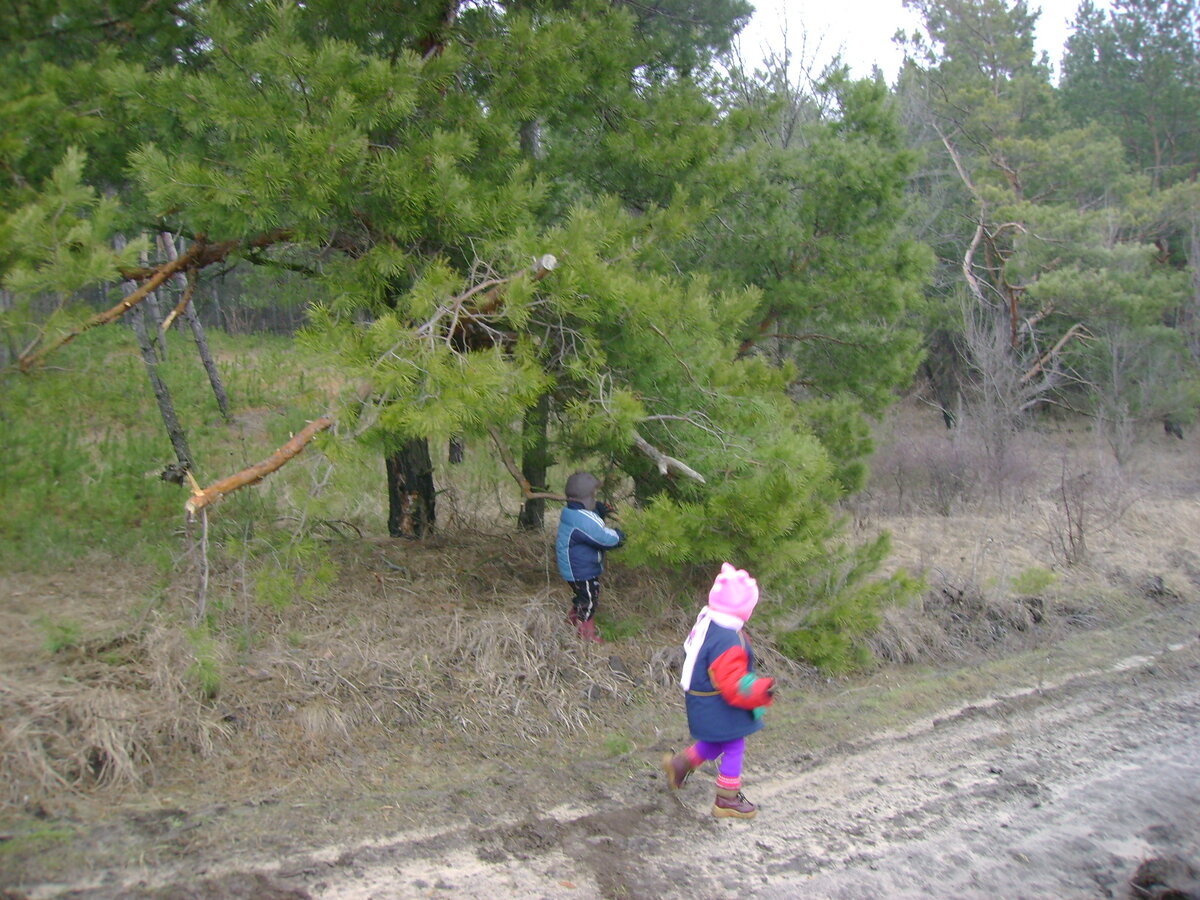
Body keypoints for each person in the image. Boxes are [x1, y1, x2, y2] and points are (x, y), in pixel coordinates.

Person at [661, 562, 775, 819]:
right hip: (718, 701)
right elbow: (733, 683)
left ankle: (680, 765)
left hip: (702, 698)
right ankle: (727, 799)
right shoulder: (728, 639)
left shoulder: (710, 624)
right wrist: (760, 690)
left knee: (717, 741)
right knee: (735, 744)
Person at [555, 471, 624, 643]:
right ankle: (586, 635)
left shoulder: (571, 513)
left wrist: (599, 511)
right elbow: (603, 538)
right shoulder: (583, 521)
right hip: (582, 570)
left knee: (582, 596)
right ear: (588, 497)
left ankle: (570, 623)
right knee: (589, 600)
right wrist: (619, 536)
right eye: (594, 495)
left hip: (573, 568)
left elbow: (589, 522)